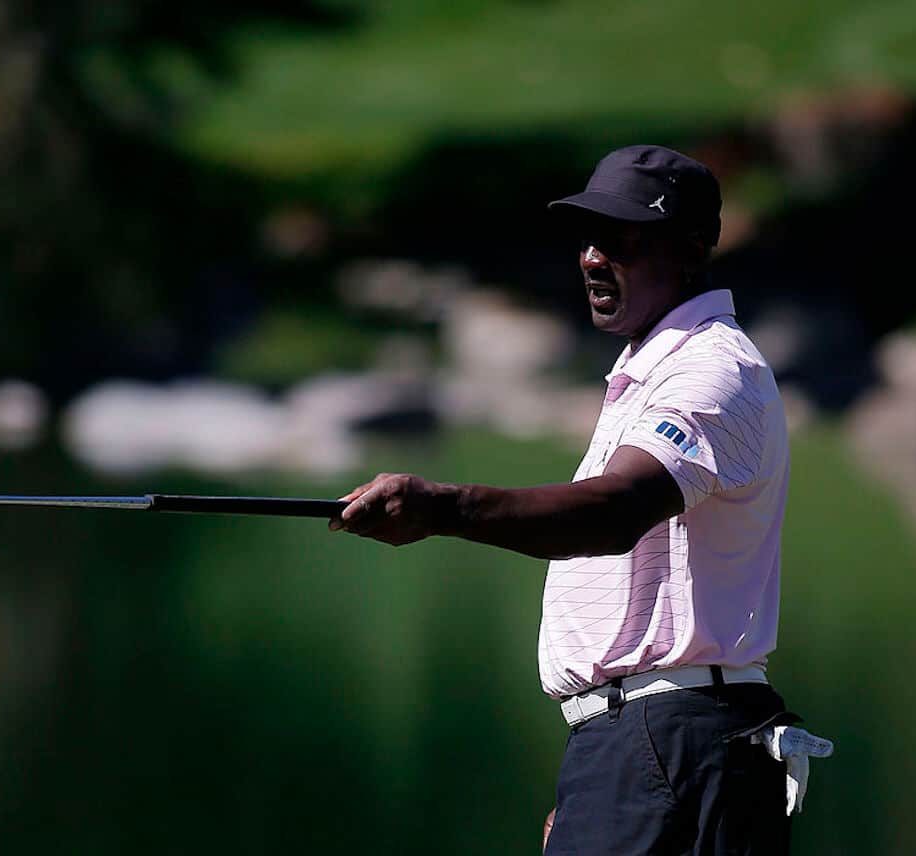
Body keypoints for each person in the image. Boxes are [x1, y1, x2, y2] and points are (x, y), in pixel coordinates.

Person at [329, 145, 803, 854]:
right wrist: (601, 778)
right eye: (587, 238)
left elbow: (612, 512)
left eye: (620, 237)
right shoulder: (656, 370)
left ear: (693, 247)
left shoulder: (711, 372)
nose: (590, 258)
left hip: (672, 739)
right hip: (648, 744)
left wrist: (445, 508)